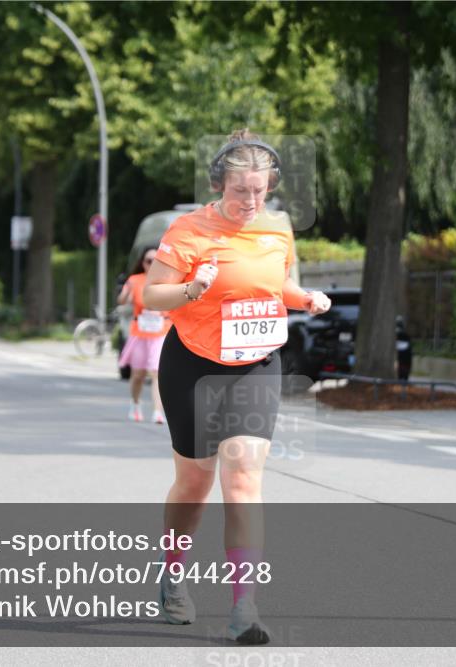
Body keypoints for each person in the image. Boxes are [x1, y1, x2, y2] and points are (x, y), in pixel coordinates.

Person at [143, 129, 330, 645]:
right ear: (218, 184)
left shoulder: (278, 229)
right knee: (194, 484)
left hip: (256, 364)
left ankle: (244, 606)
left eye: (259, 191)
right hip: (194, 364)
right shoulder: (189, 230)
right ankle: (173, 574)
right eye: (239, 190)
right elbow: (153, 296)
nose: (250, 201)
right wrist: (191, 288)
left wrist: (305, 298)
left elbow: (277, 285)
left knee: (244, 479)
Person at [117, 246, 171, 423]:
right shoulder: (135, 280)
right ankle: (135, 403)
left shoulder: (168, 279)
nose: (151, 264)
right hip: (140, 332)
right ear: (143, 263)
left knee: (156, 372)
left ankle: (158, 411)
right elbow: (122, 300)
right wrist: (126, 293)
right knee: (138, 374)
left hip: (160, 332)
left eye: (156, 260)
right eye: (148, 261)